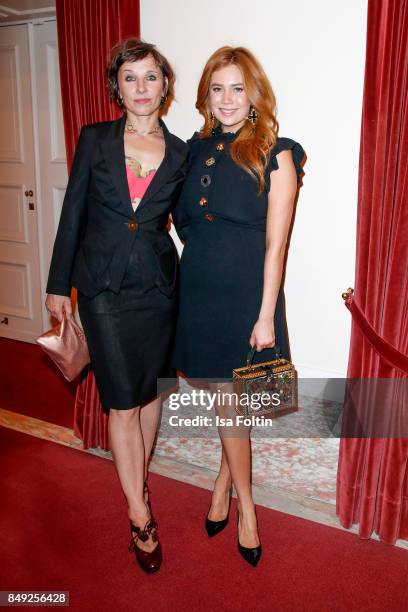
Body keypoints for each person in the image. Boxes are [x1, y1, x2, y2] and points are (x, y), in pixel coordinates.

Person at [45, 38, 188, 574]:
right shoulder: (95, 140)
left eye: (151, 77)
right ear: (117, 89)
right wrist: (60, 284)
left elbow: (195, 219)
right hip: (103, 290)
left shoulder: (181, 152)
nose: (142, 87)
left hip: (157, 290)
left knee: (149, 396)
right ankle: (139, 512)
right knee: (121, 403)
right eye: (131, 78)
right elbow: (73, 212)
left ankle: (137, 474)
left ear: (164, 86)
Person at [172, 46, 305, 567]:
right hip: (199, 287)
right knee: (225, 398)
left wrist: (266, 312)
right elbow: (178, 220)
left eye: (237, 88)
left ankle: (244, 509)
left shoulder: (277, 150)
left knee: (233, 399)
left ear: (254, 94)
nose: (227, 99)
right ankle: (224, 477)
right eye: (216, 88)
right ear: (206, 95)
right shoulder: (191, 148)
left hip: (247, 293)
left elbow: (278, 244)